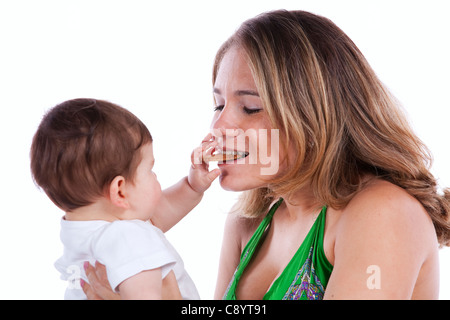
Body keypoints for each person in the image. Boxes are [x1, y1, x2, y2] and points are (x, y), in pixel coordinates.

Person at [83, 10, 450, 300]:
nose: (219, 126)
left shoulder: (382, 213)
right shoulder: (247, 224)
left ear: (312, 116)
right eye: (219, 104)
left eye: (250, 108)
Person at [30, 98, 220, 299]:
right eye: (150, 169)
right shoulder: (129, 236)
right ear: (120, 191)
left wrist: (191, 186)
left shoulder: (81, 236)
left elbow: (155, 216)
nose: (155, 176)